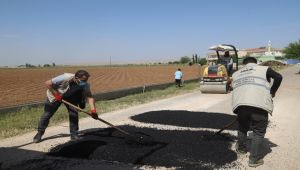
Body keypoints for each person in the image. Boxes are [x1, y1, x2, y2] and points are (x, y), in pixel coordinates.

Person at [232, 57, 282, 167]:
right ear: (256, 63)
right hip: (259, 105)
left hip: (241, 105)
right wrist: (272, 91)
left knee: (242, 128)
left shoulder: (236, 74)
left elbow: (234, 88)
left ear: (244, 64)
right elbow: (278, 77)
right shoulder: (263, 69)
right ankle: (254, 160)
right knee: (258, 132)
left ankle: (241, 149)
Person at [33, 70, 98, 143]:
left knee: (74, 114)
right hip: (55, 95)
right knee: (47, 114)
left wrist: (93, 110)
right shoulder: (65, 77)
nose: (85, 82)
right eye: (83, 80)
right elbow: (48, 83)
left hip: (70, 97)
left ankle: (74, 134)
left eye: (86, 80)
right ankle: (40, 133)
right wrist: (56, 94)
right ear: (76, 78)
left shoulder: (85, 85)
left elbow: (90, 97)